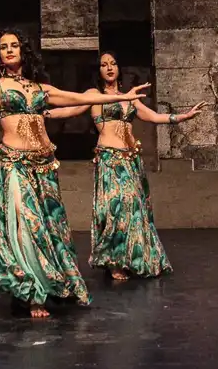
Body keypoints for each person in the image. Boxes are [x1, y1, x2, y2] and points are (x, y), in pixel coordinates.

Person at [0, 29, 150, 318]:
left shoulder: (41, 89)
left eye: (14, 45)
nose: (9, 50)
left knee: (49, 226)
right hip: (14, 163)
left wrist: (125, 95)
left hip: (44, 164)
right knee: (26, 222)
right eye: (4, 47)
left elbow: (79, 99)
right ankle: (32, 292)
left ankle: (44, 284)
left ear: (23, 51)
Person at [44, 51, 207, 280]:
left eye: (113, 63)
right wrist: (43, 112)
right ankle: (114, 260)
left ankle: (135, 258)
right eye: (104, 64)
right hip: (110, 159)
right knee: (114, 208)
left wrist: (182, 117)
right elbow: (70, 109)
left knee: (135, 208)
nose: (109, 67)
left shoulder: (129, 96)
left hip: (131, 160)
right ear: (98, 70)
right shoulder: (94, 95)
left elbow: (152, 116)